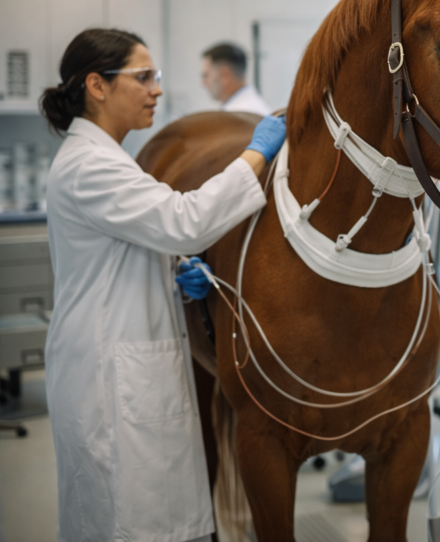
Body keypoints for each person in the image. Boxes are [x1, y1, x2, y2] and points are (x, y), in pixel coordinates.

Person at [40, 28, 286, 542]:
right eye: (143, 77)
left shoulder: (107, 160)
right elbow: (185, 220)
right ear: (97, 86)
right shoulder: (90, 167)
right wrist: (257, 154)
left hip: (124, 354)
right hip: (107, 372)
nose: (156, 90)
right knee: (126, 520)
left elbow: (123, 250)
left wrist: (172, 276)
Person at [200, 41, 271, 115]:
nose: (203, 83)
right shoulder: (244, 110)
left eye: (206, 76)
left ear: (224, 75)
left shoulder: (242, 116)